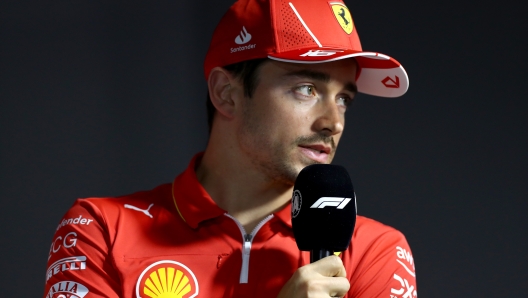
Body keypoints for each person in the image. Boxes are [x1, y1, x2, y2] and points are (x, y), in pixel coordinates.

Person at [43, 0, 417, 297]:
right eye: (307, 89)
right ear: (226, 94)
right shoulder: (101, 228)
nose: (333, 122)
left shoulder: (372, 249)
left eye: (344, 99)